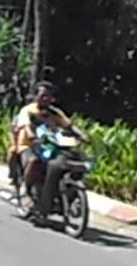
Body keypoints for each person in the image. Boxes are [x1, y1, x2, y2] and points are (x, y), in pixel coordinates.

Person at [8, 81, 89, 224]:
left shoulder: (55, 113)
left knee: (70, 161)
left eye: (49, 96)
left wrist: (82, 136)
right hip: (28, 145)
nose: (46, 99)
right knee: (34, 161)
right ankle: (25, 191)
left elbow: (69, 126)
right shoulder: (28, 111)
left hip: (49, 146)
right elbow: (26, 126)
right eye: (43, 95)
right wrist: (31, 135)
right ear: (35, 96)